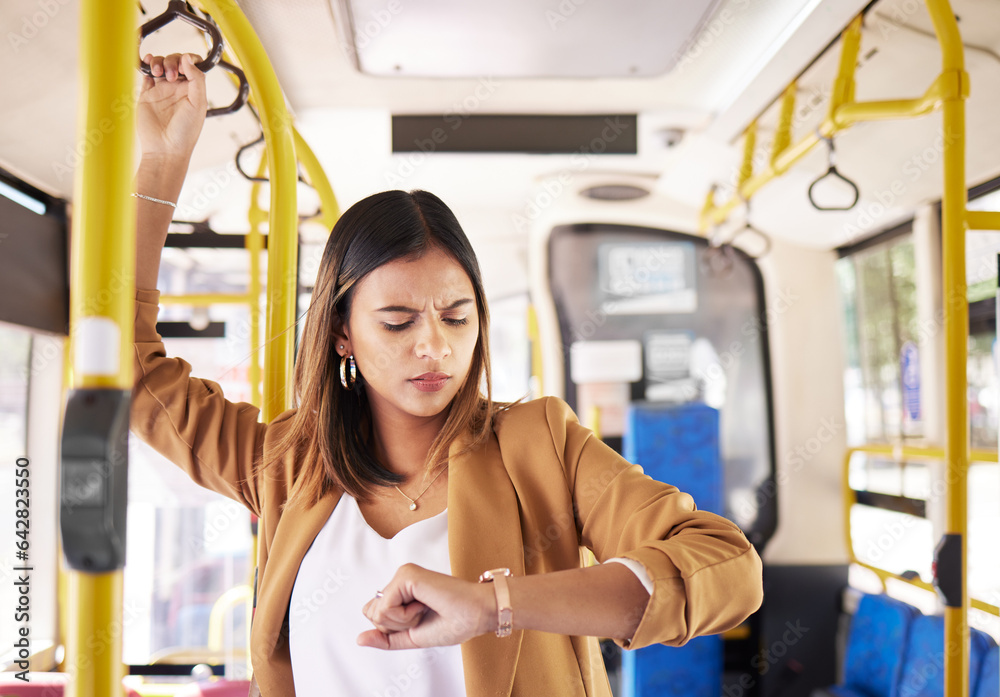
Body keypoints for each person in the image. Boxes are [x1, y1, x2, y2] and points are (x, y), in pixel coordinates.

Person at [131, 53, 763, 697]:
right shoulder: (288, 464)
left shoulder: (539, 447)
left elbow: (730, 570)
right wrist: (161, 164)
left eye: (456, 317)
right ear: (343, 332)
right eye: (399, 322)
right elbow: (126, 365)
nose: (433, 346)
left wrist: (496, 605)